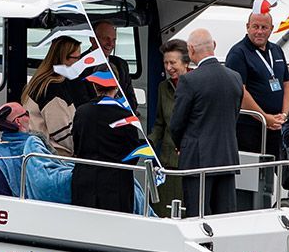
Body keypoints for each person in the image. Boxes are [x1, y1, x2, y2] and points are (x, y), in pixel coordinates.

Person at [169, 29, 243, 216]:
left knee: (198, 215)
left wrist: (181, 146)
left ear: (191, 49)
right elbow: (234, 116)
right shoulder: (235, 78)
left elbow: (177, 123)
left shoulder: (189, 81)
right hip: (227, 158)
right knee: (224, 215)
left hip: (198, 160)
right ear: (214, 46)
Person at [0, 102, 74, 203]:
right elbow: (45, 182)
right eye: (26, 114)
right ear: (18, 121)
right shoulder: (32, 144)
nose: (29, 117)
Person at [225, 11, 289, 159]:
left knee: (274, 171)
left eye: (264, 27)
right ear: (247, 27)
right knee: (253, 174)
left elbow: (286, 84)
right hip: (249, 127)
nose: (259, 31)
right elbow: (239, 91)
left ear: (271, 28)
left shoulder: (277, 50)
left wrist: (284, 115)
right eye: (255, 27)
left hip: (276, 126)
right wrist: (264, 117)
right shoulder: (238, 53)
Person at [71, 81, 144, 213]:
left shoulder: (82, 111)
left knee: (82, 227)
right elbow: (133, 153)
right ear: (116, 87)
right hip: (116, 184)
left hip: (85, 179)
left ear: (94, 86)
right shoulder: (126, 116)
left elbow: (76, 144)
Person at [22, 36, 92, 157]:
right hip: (54, 158)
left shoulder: (42, 80)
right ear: (62, 58)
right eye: (76, 58)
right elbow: (62, 133)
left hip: (39, 152)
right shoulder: (53, 89)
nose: (79, 63)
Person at [149, 39, 189, 217]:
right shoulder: (163, 87)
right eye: (166, 63)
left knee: (185, 209)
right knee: (162, 207)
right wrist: (149, 142)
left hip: (188, 159)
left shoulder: (196, 85)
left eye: (173, 62)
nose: (168, 67)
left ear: (186, 63)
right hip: (166, 160)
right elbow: (160, 122)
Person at [92, 20, 139, 111]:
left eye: (114, 40)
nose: (111, 44)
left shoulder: (121, 64)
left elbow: (131, 99)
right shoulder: (80, 65)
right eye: (106, 38)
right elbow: (82, 101)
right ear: (92, 39)